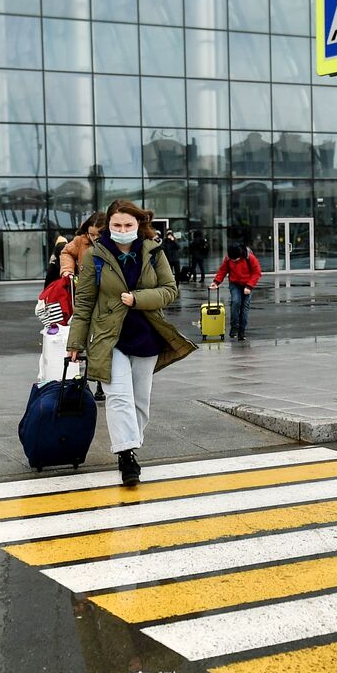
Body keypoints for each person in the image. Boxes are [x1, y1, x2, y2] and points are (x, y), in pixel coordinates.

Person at [67, 200, 197, 487]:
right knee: (118, 397)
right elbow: (85, 301)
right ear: (107, 227)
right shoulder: (95, 256)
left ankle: (130, 445)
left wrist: (138, 299)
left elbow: (169, 291)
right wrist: (74, 341)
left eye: (128, 225)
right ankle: (126, 455)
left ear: (139, 225)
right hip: (109, 338)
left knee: (139, 401)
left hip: (146, 334)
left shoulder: (153, 252)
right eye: (117, 225)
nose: (123, 230)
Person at [210, 241, 262, 340]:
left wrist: (249, 286)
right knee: (235, 302)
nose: (234, 261)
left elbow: (257, 272)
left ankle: (242, 332)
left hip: (247, 284)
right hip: (235, 283)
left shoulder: (249, 257)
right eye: (232, 259)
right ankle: (234, 327)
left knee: (244, 307)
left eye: (236, 259)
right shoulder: (229, 258)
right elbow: (223, 270)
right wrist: (216, 282)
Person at [60, 213, 106, 278]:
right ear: (87, 233)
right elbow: (66, 252)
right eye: (92, 235)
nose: (95, 238)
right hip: (85, 282)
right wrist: (67, 270)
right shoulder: (80, 241)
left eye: (99, 235)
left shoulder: (114, 242)